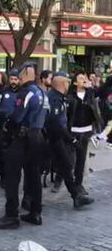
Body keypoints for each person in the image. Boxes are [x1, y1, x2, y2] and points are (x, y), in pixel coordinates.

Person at [0, 63, 48, 229]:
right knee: (34, 176)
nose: (19, 77)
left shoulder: (27, 92)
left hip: (23, 138)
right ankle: (35, 212)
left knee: (12, 176)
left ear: (27, 74)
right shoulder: (42, 93)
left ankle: (11, 215)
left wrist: (6, 130)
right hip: (37, 136)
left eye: (21, 74)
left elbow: (16, 116)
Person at [45, 72, 95, 209]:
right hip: (53, 138)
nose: (68, 84)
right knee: (39, 169)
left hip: (60, 137)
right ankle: (30, 200)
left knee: (66, 166)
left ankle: (76, 196)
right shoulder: (55, 99)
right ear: (62, 84)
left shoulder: (60, 97)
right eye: (66, 82)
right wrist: (71, 139)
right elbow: (56, 123)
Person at [51, 72, 102, 195]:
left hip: (86, 131)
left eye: (84, 78)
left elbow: (97, 107)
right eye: (80, 78)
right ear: (74, 83)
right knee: (68, 160)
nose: (84, 79)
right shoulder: (70, 96)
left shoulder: (90, 94)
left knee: (81, 161)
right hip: (72, 132)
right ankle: (59, 179)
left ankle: (79, 186)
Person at [0, 69, 20, 189]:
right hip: (4, 128)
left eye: (16, 79)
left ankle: (14, 178)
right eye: (11, 79)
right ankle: (3, 177)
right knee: (2, 155)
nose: (13, 81)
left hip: (17, 128)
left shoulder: (22, 93)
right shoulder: (3, 92)